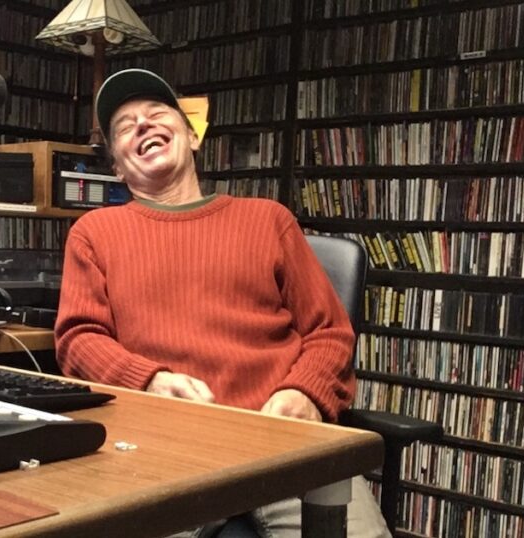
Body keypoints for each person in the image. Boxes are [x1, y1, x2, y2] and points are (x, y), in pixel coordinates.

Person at [54, 68, 390, 538]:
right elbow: (78, 340)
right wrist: (149, 380)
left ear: (192, 137)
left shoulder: (269, 220)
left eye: (157, 114)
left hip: (282, 439)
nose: (143, 125)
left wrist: (306, 392)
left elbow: (329, 331)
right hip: (160, 448)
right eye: (125, 127)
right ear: (118, 168)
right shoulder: (94, 233)